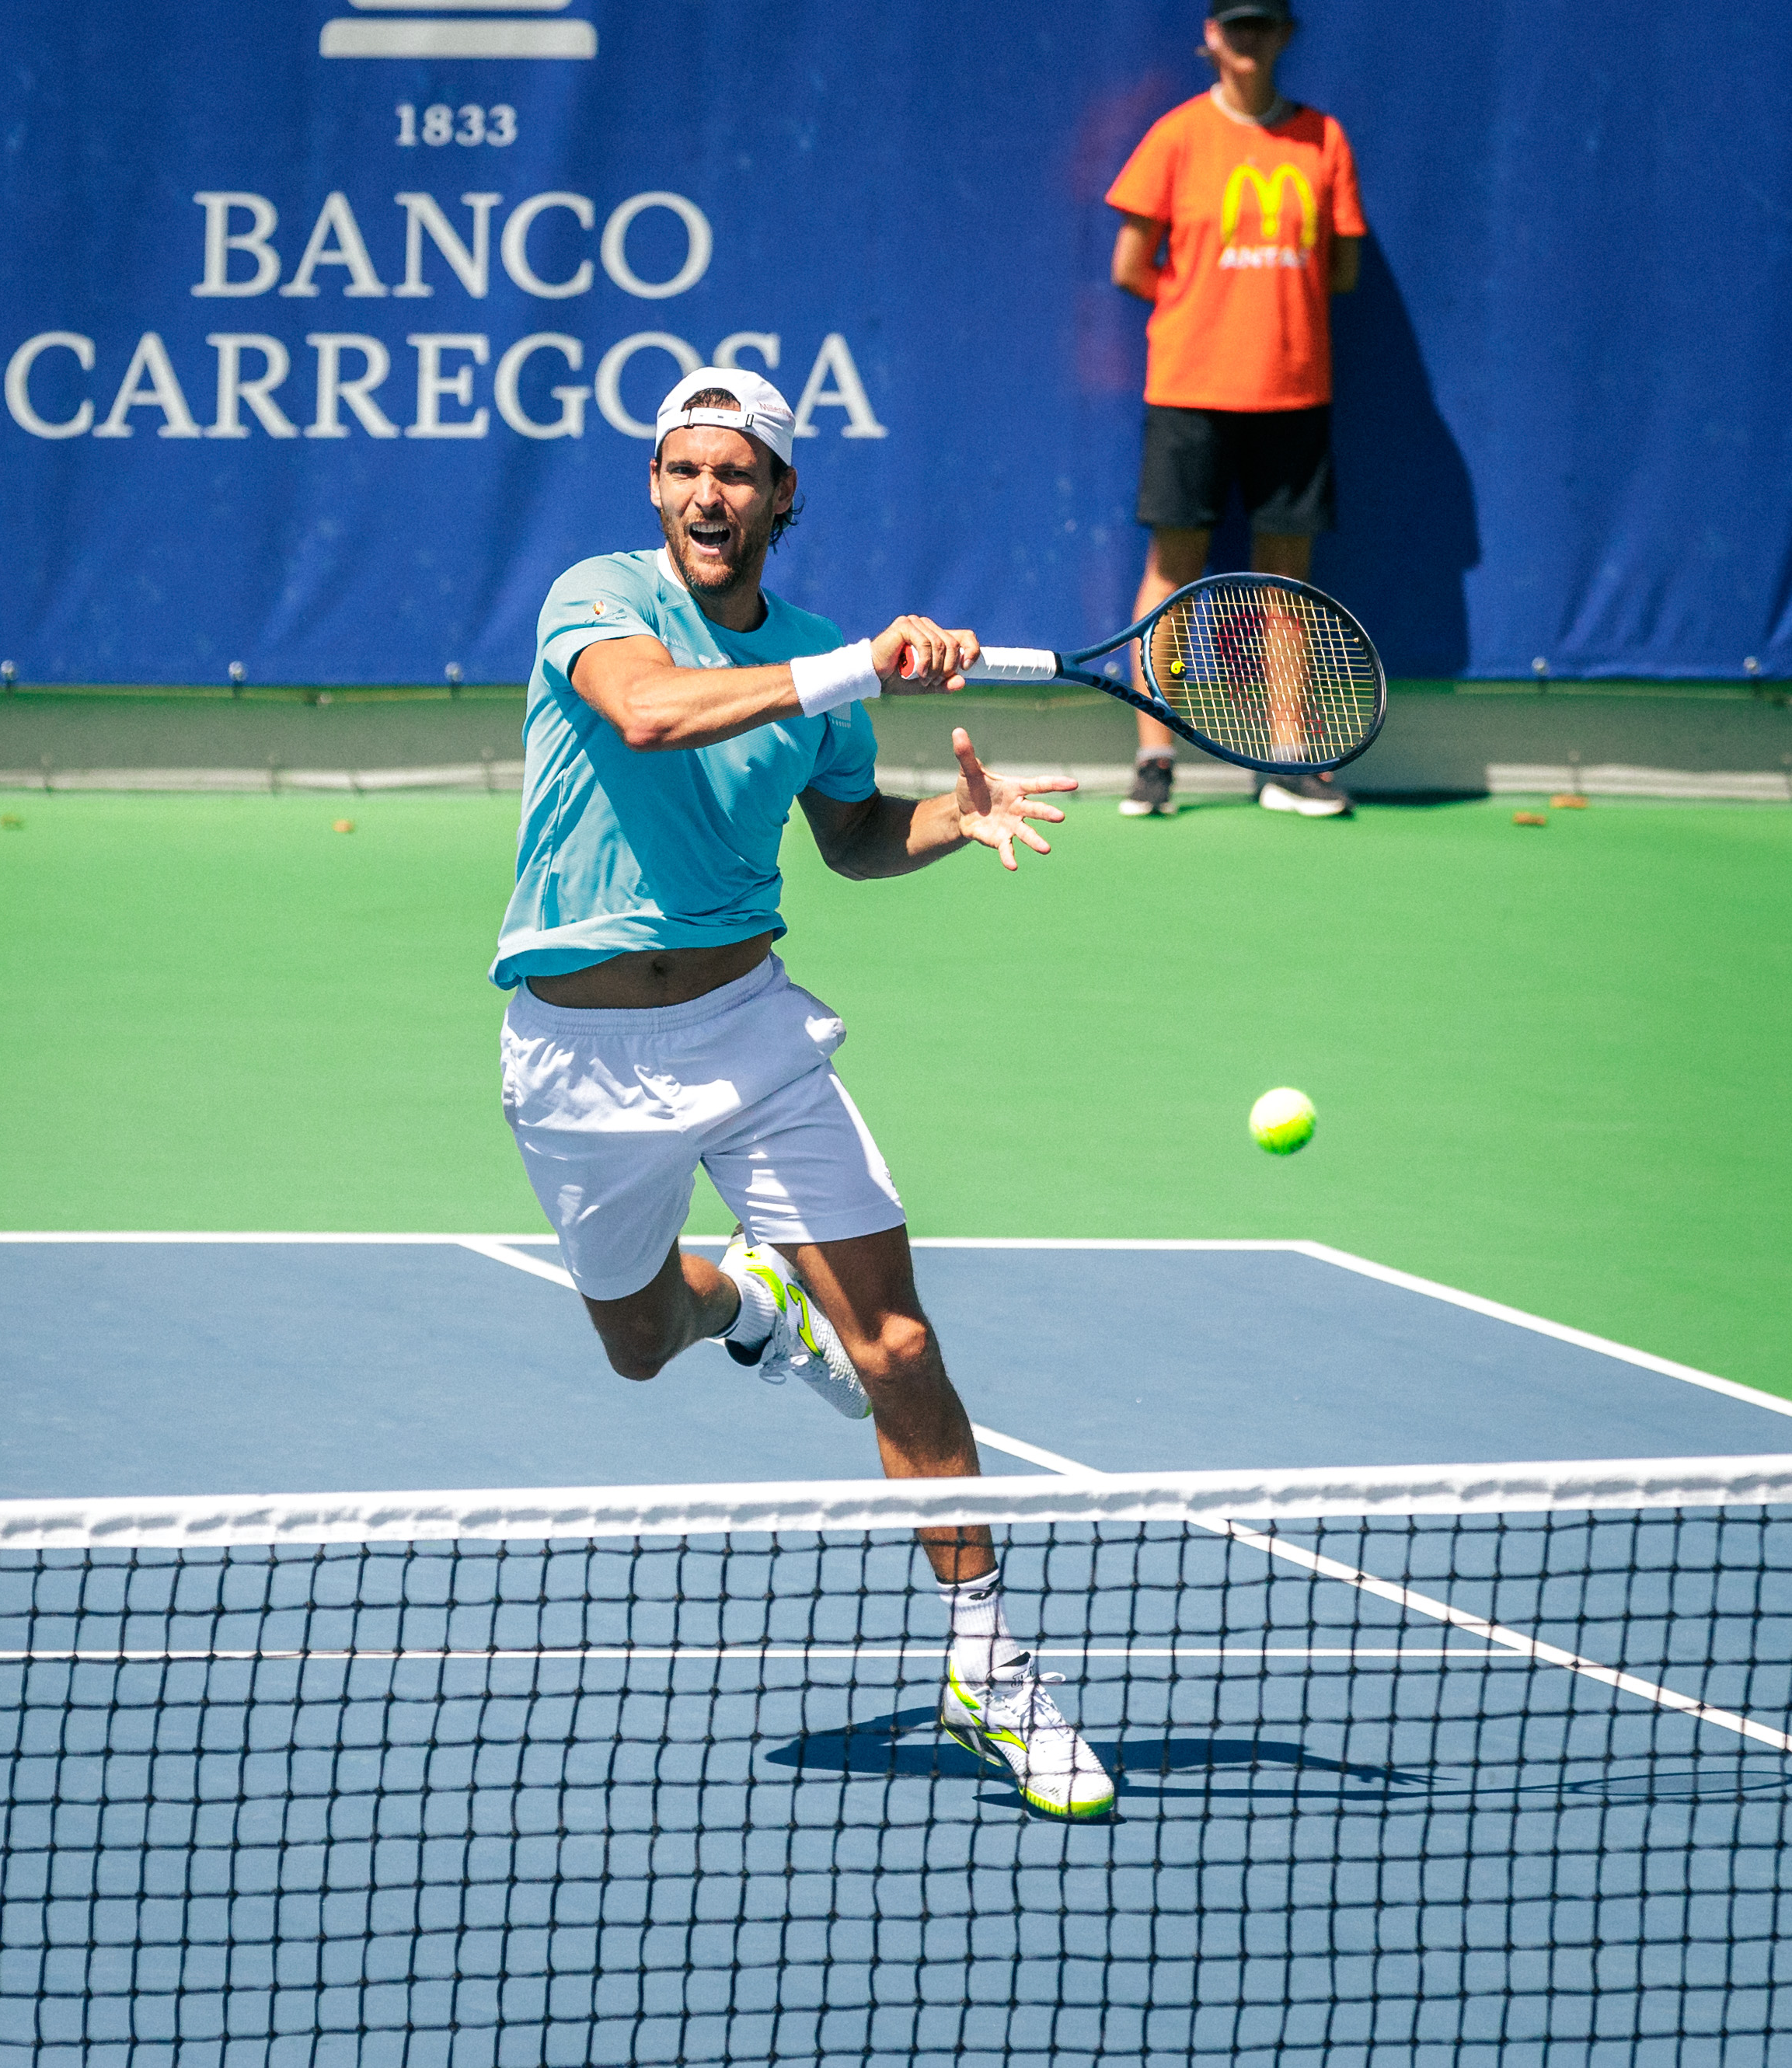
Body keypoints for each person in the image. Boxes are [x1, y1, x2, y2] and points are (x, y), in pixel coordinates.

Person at [491, 364, 1114, 1820]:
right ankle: (747, 1307)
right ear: (658, 487)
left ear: (782, 496)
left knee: (897, 1344)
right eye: (683, 470)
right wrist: (862, 671)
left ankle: (992, 1668)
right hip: (576, 1060)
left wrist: (952, 817)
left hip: (749, 1032)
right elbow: (647, 717)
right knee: (642, 1341)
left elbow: (848, 838)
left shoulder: (821, 653)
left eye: (737, 473)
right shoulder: (598, 599)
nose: (708, 495)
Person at [1107, 0, 1368, 818]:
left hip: (1293, 391)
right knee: (1173, 569)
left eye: (1265, 24)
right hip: (1189, 391)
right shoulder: (1177, 136)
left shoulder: (1323, 139)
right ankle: (1156, 760)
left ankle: (1288, 760)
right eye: (1234, 24)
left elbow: (1342, 271)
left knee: (1286, 583)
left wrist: (1267, 321)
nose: (1248, 39)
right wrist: (1205, 317)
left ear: (1287, 36)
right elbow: (1130, 267)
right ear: (1210, 37)